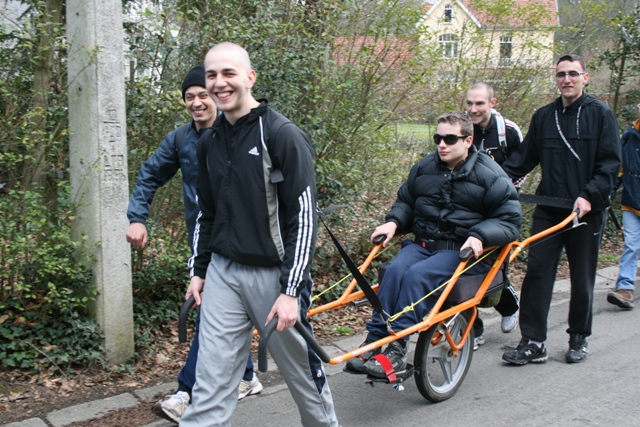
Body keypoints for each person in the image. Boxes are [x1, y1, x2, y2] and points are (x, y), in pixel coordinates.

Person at [179, 42, 339, 427]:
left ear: (249, 78)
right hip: (222, 273)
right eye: (212, 75)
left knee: (303, 376)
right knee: (210, 383)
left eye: (228, 73)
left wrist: (290, 291)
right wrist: (198, 270)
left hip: (275, 278)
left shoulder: (282, 135)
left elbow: (303, 219)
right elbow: (207, 212)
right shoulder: (209, 140)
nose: (219, 83)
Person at [126, 65, 262, 425]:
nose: (197, 102)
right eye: (190, 97)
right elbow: (150, 173)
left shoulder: (238, 134)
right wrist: (137, 217)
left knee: (212, 314)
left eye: (203, 94)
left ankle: (188, 390)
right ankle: (246, 377)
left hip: (241, 241)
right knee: (221, 312)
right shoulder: (180, 139)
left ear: (218, 95)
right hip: (203, 241)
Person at [345, 111, 521, 378]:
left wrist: (480, 235)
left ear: (468, 140)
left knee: (417, 275)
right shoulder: (425, 167)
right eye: (438, 137)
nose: (442, 144)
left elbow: (509, 221)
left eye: (450, 138)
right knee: (394, 270)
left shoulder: (491, 174)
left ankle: (396, 347)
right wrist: (393, 223)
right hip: (424, 245)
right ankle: (375, 341)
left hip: (461, 252)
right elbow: (406, 202)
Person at [501, 54, 621, 365]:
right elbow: (523, 159)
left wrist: (589, 195)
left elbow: (610, 164)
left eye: (572, 74)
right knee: (537, 273)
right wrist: (494, 181)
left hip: (586, 212)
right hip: (549, 209)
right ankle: (533, 341)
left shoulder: (601, 114)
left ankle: (578, 337)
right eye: (560, 74)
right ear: (555, 79)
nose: (566, 79)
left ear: (585, 77)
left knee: (582, 278)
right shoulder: (543, 116)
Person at [465, 82, 525, 350]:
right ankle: (472, 330)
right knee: (463, 270)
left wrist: (500, 190)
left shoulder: (508, 132)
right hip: (467, 211)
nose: (474, 109)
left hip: (500, 210)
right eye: (469, 103)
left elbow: (522, 166)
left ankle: (509, 305)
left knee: (493, 270)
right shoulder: (461, 130)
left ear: (493, 102)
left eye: (479, 103)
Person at [607, 102, 640, 310]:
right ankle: (625, 288)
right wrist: (607, 194)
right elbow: (619, 169)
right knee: (631, 245)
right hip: (632, 203)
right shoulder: (629, 136)